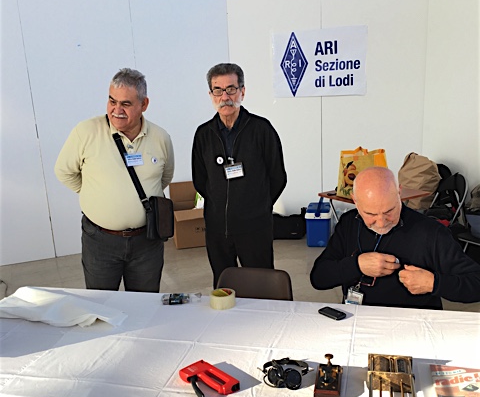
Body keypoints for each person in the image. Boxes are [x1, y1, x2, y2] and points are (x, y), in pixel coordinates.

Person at [55, 68, 174, 292]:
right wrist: (96, 194)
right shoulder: (86, 132)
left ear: (144, 104)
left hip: (147, 241)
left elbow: (165, 177)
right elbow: (64, 172)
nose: (116, 110)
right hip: (100, 241)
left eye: (126, 104)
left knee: (144, 304)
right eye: (112, 101)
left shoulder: (161, 138)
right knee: (101, 305)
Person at [310, 167, 480, 309]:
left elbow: (476, 283)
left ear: (399, 193)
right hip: (359, 320)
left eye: (389, 211)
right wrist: (356, 265)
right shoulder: (349, 223)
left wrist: (433, 283)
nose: (381, 222)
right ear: (355, 201)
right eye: (370, 214)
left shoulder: (431, 232)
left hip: (413, 325)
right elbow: (319, 278)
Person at [192, 63, 287, 287]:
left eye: (231, 89)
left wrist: (258, 206)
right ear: (211, 95)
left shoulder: (262, 130)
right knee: (224, 286)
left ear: (242, 91)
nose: (225, 97)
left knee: (261, 285)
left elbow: (277, 177)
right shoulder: (203, 134)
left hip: (255, 227)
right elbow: (200, 180)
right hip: (217, 228)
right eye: (218, 90)